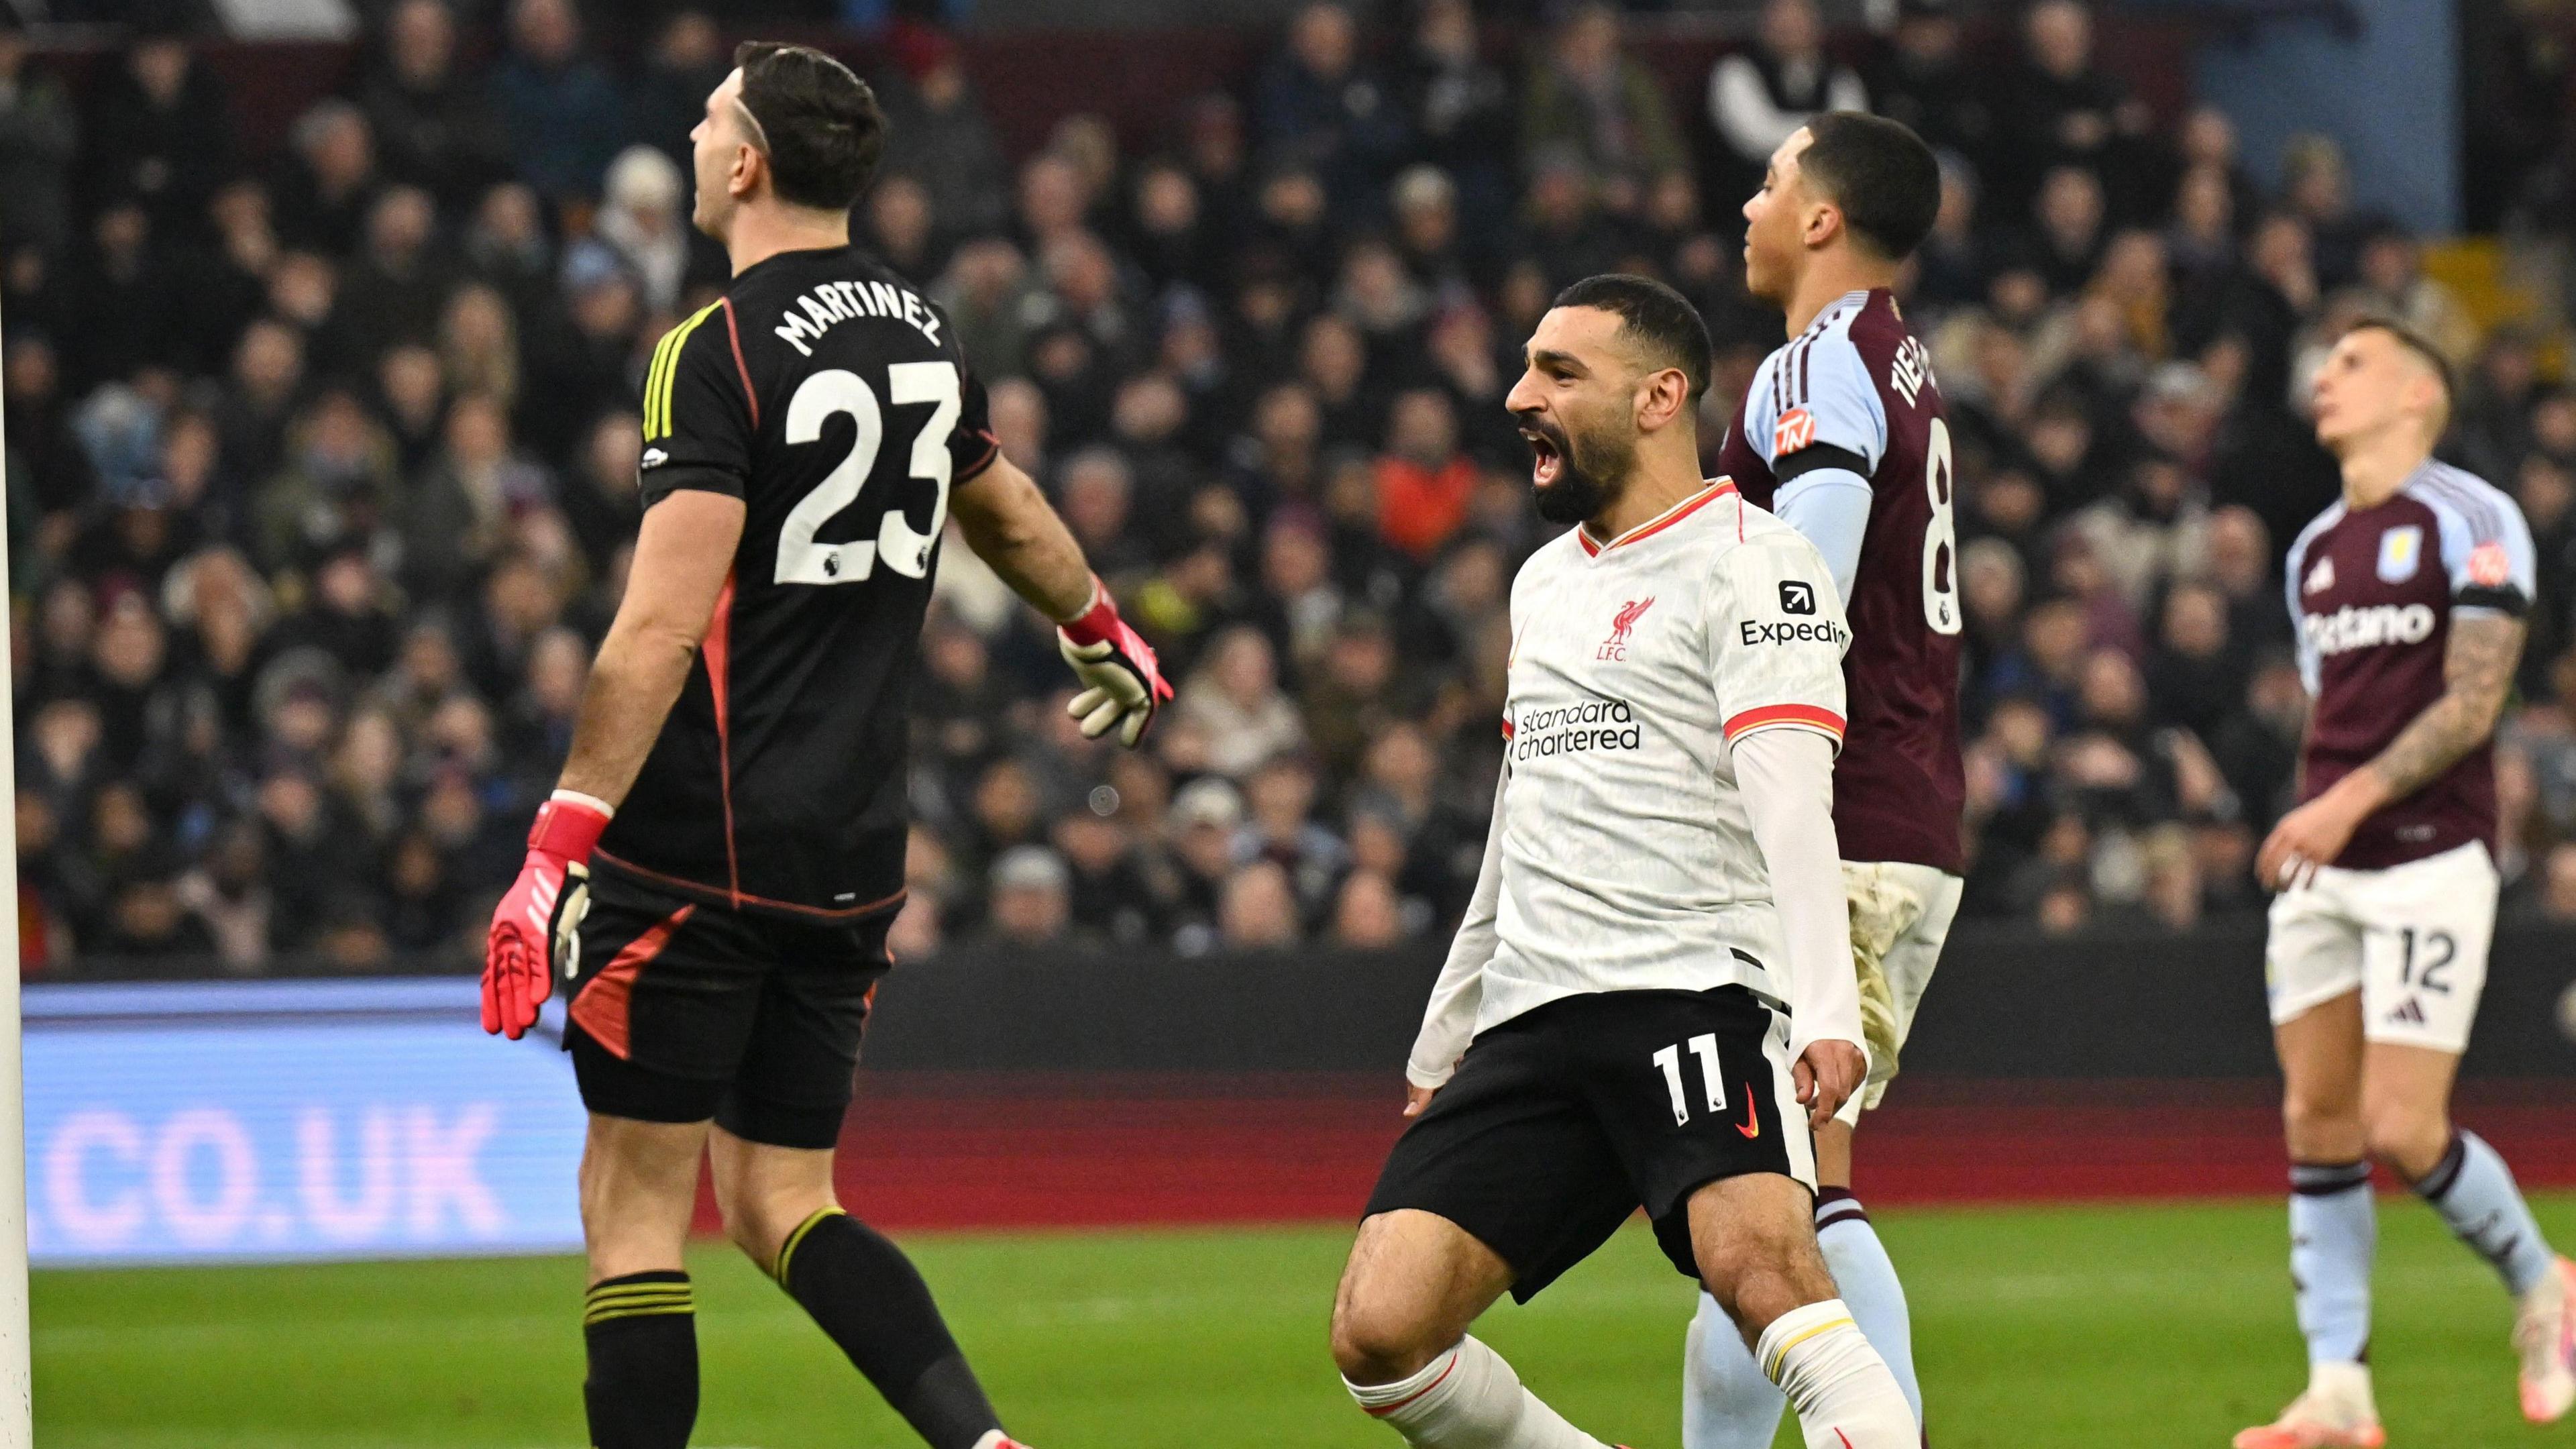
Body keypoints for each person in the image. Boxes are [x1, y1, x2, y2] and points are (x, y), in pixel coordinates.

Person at [477, 44, 1171, 1449]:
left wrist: (555, 848)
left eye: (709, 114)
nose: (688, 128)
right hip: (850, 852)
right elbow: (1006, 505)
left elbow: (656, 629)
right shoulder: (921, 328)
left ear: (745, 165)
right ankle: (980, 1444)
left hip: (696, 845)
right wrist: (1103, 620)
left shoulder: (712, 349)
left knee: (632, 1203)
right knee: (786, 1199)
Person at [1328, 273, 1917, 1449]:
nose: (1517, 396)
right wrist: (1448, 1027)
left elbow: (1793, 803)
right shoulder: (1543, 582)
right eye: (1525, 366)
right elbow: (1519, 818)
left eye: (1558, 373)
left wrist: (1821, 1006)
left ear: (1660, 398)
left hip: (1688, 987)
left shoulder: (1759, 561)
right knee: (1381, 1336)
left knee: (1764, 1278)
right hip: (1536, 1013)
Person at [2235, 317, 2576, 1445]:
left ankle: (2544, 1281)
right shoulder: (2315, 549)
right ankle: (2339, 1392)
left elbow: (2476, 705)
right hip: (2328, 861)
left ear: (2420, 396)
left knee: (2402, 1122)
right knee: (2317, 1118)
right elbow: (2337, 712)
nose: (2323, 378)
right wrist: (2313, 815)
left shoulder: (2475, 520)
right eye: (2323, 363)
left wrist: (2337, 804)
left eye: (2353, 363)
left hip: (2431, 855)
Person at [1688, 111, 1957, 1448]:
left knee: (1792, 1197)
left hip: (1842, 824)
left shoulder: (1814, 367)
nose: (1749, 203)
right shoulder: (1894, 358)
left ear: (1821, 220)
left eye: (1770, 180)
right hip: (1900, 808)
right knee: (1753, 1201)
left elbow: (1810, 591)